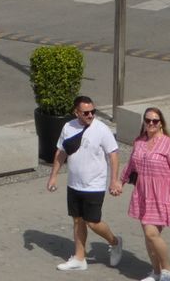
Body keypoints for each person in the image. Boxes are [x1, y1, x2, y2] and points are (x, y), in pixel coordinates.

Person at [111, 106, 170, 281]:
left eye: (155, 120)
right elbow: (131, 166)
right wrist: (120, 182)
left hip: (163, 195)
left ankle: (168, 270)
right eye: (148, 120)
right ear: (144, 123)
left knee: (151, 233)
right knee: (149, 237)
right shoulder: (139, 142)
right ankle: (156, 272)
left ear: (161, 123)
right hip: (143, 193)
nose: (151, 123)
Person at [46, 95, 123, 271]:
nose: (90, 115)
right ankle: (80, 258)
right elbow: (61, 152)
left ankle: (115, 242)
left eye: (93, 112)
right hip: (74, 184)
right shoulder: (68, 127)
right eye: (86, 112)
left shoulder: (101, 129)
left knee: (92, 221)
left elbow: (113, 154)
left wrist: (114, 181)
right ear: (76, 112)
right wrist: (53, 176)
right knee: (77, 220)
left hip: (94, 185)